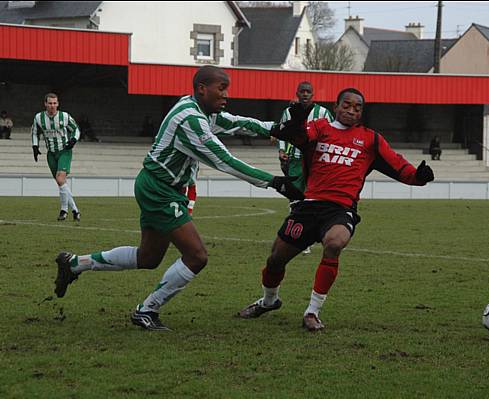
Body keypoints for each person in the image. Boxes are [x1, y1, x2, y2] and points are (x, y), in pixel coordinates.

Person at [53, 65, 303, 331]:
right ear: (202, 89)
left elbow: (236, 122)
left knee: (148, 258)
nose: (226, 95)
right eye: (222, 89)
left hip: (159, 186)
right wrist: (275, 182)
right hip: (160, 190)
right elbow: (224, 161)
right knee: (197, 256)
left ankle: (74, 264)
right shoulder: (191, 120)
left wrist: (277, 129)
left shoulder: (198, 108)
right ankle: (147, 309)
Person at [238, 88, 435, 331]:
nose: (352, 110)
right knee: (275, 260)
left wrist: (419, 177)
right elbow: (299, 137)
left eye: (357, 107)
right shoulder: (320, 128)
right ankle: (269, 301)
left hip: (341, 209)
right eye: (347, 105)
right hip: (308, 206)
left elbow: (398, 166)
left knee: (334, 243)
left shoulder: (370, 139)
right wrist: (298, 121)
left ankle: (312, 312)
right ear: (336, 106)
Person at [278, 81, 333, 254]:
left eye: (308, 91)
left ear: (313, 94)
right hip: (294, 160)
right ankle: (297, 238)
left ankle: (312, 235)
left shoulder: (323, 112)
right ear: (297, 93)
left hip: (316, 161)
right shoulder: (288, 112)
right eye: (302, 91)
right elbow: (281, 132)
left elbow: (332, 133)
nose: (305, 94)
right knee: (295, 197)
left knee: (313, 198)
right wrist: (281, 149)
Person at [31, 94, 81, 221]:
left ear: (58, 104)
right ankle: (75, 210)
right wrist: (35, 147)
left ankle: (64, 210)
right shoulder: (39, 118)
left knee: (60, 179)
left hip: (64, 151)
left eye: (54, 103)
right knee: (61, 183)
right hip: (51, 154)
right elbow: (35, 132)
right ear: (45, 104)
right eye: (50, 103)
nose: (52, 106)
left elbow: (76, 129)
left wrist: (74, 140)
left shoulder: (64, 116)